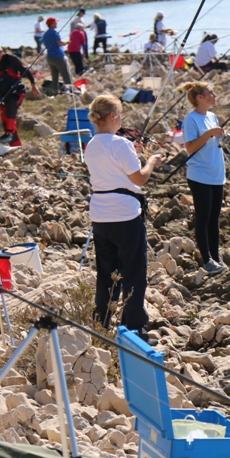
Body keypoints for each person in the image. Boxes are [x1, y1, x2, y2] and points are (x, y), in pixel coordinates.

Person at [84, 94, 163, 338]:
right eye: (120, 114)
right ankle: (134, 325)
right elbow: (139, 178)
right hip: (125, 213)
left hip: (100, 213)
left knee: (107, 272)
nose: (121, 119)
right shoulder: (121, 144)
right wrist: (150, 161)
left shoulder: (91, 144)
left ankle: (102, 320)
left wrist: (133, 153)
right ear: (112, 117)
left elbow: (113, 168)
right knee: (133, 271)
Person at [179, 82, 227, 276]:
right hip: (200, 175)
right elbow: (190, 148)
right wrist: (209, 134)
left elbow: (212, 141)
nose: (214, 95)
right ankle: (206, 260)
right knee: (203, 217)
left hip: (217, 174)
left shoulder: (212, 116)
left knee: (214, 219)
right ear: (200, 97)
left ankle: (216, 257)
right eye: (210, 93)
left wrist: (221, 135)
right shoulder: (191, 120)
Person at [0, 43, 41, 147]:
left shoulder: (11, 59)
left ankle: (9, 133)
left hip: (17, 91)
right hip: (2, 93)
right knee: (5, 119)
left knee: (11, 105)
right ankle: (15, 145)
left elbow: (25, 70)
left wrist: (33, 84)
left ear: (1, 52)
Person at [41, 17, 72, 92]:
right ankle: (71, 91)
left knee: (55, 77)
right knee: (66, 75)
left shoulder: (45, 34)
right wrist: (67, 42)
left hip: (50, 56)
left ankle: (55, 91)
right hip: (58, 56)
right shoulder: (54, 32)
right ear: (51, 24)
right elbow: (60, 43)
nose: (57, 23)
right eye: (55, 22)